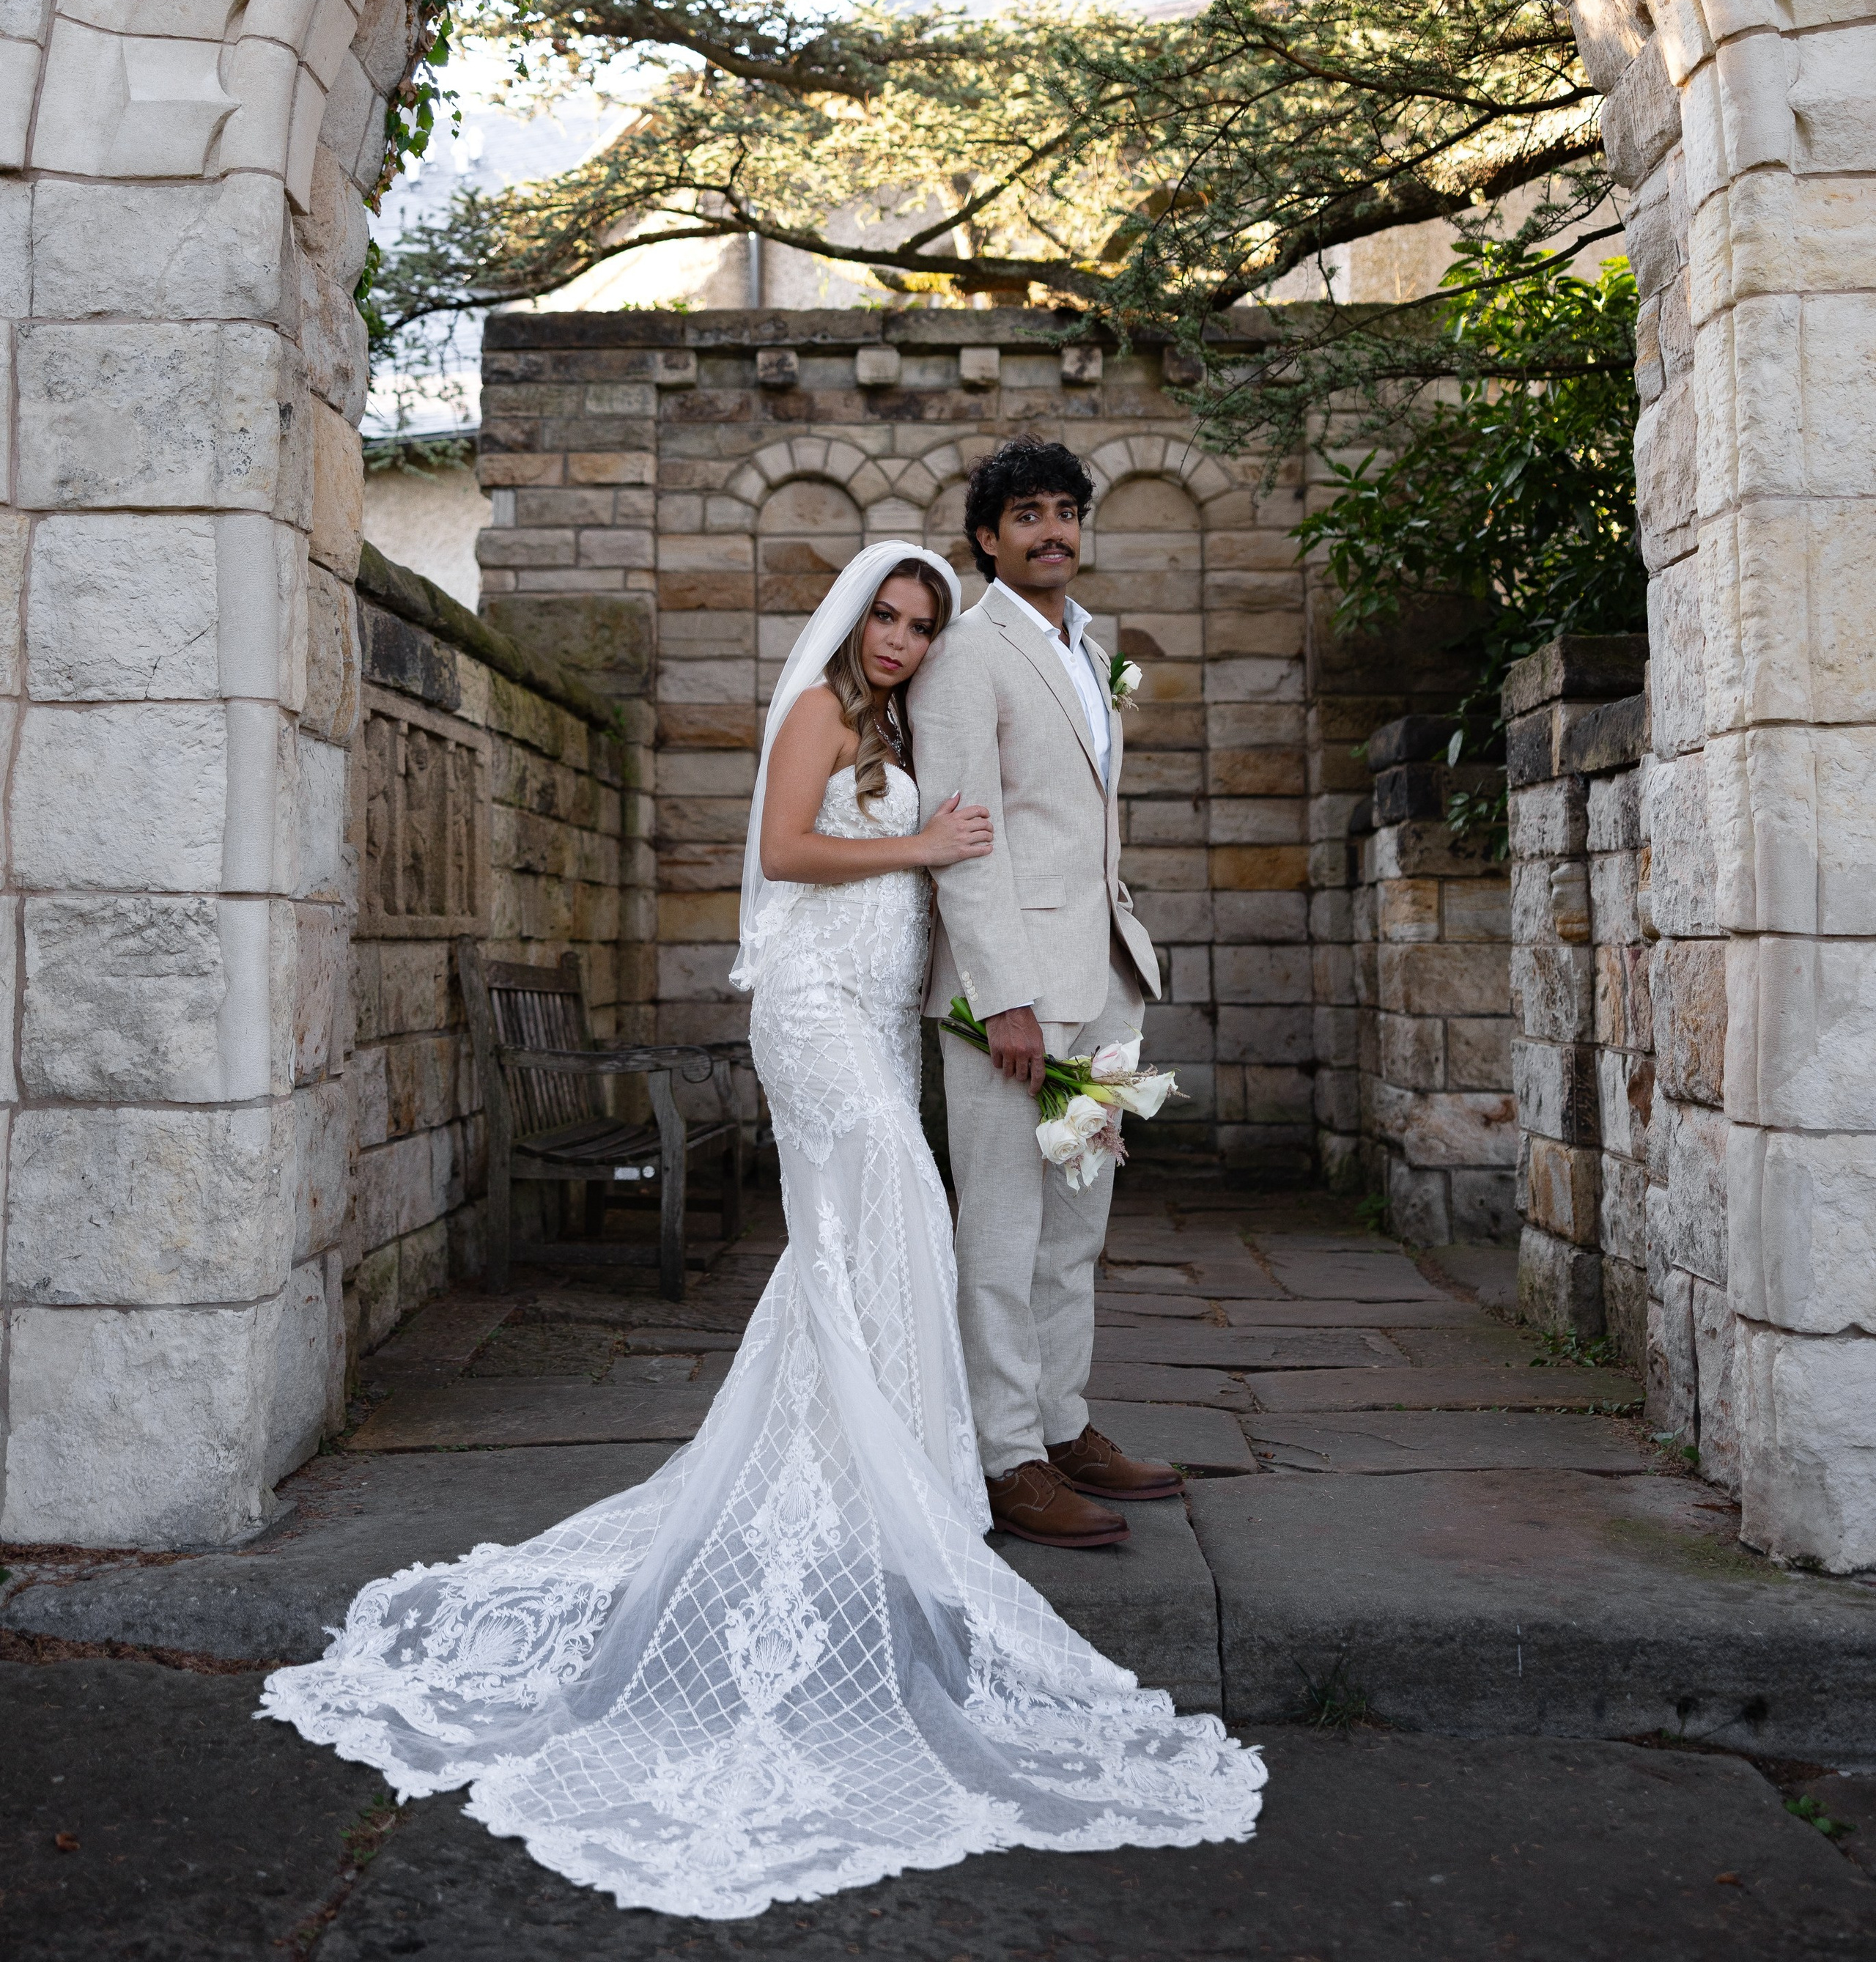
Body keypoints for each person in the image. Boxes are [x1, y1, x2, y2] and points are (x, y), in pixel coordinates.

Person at [260, 539, 1263, 1917]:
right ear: (853, 620)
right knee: (898, 1206)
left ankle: (886, 1473)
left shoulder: (897, 721)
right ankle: (899, 1472)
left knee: (865, 1238)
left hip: (873, 1005)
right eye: (889, 619)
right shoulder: (814, 715)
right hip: (807, 1004)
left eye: (920, 623)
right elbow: (789, 849)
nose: (905, 640)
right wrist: (921, 841)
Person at [908, 438, 1175, 1548]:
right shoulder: (968, 655)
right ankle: (1004, 1456)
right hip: (1011, 996)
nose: (1053, 531)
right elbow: (965, 841)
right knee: (1003, 1237)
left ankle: (1063, 1427)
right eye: (1029, 515)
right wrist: (1002, 997)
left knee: (1076, 1231)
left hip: (1106, 976)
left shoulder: (1091, 647)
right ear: (988, 537)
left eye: (1068, 512)